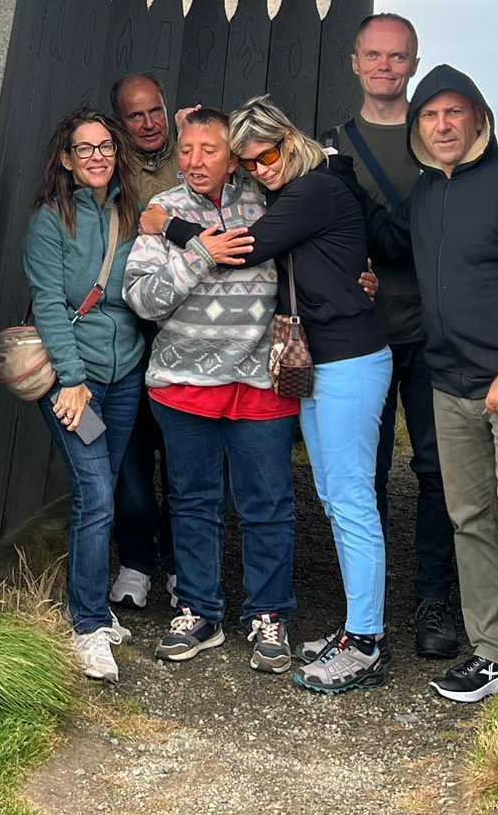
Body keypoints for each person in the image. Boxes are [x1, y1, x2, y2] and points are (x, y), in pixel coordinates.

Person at [164, 94, 394, 695]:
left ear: (288, 142)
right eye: (247, 164)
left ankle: (366, 641)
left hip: (348, 359)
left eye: (265, 156)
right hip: (320, 361)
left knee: (350, 501)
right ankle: (356, 630)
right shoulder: (299, 187)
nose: (259, 171)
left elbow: (247, 247)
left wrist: (168, 225)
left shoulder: (313, 188)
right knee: (332, 495)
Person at [369, 66, 498, 701]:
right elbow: (395, 242)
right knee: (471, 519)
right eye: (430, 116)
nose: (442, 126)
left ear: (478, 119)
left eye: (454, 114)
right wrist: (338, 185)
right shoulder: (429, 191)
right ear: (418, 128)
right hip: (448, 381)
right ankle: (493, 653)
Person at [122, 107, 300, 673]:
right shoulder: (162, 212)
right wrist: (201, 254)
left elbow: (308, 240)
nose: (195, 162)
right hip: (182, 382)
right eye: (187, 150)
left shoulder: (269, 199)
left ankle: (269, 615)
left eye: (209, 150)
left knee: (266, 505)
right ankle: (198, 610)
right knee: (194, 503)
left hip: (259, 379)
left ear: (233, 153)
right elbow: (143, 299)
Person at [321, 14, 462, 660]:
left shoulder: (440, 138)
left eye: (397, 57)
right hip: (362, 337)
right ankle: (363, 606)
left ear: (412, 62)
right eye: (373, 55)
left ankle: (435, 600)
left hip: (438, 334)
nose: (385, 66)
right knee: (363, 476)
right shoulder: (333, 149)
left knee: (439, 471)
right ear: (355, 62)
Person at [22, 106, 147, 683]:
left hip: (126, 377)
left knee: (110, 483)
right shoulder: (51, 221)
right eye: (85, 148)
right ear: (67, 160)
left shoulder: (130, 211)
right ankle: (89, 625)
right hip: (77, 380)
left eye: (105, 147)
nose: (97, 156)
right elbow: (49, 303)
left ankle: (93, 606)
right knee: (94, 492)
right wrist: (71, 380)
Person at [108, 72, 178, 609]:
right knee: (130, 455)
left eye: (155, 110)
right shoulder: (108, 169)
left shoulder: (194, 156)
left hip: (184, 328)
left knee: (184, 454)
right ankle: (136, 558)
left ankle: (180, 562)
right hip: (128, 331)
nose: (149, 123)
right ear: (121, 121)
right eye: (136, 115)